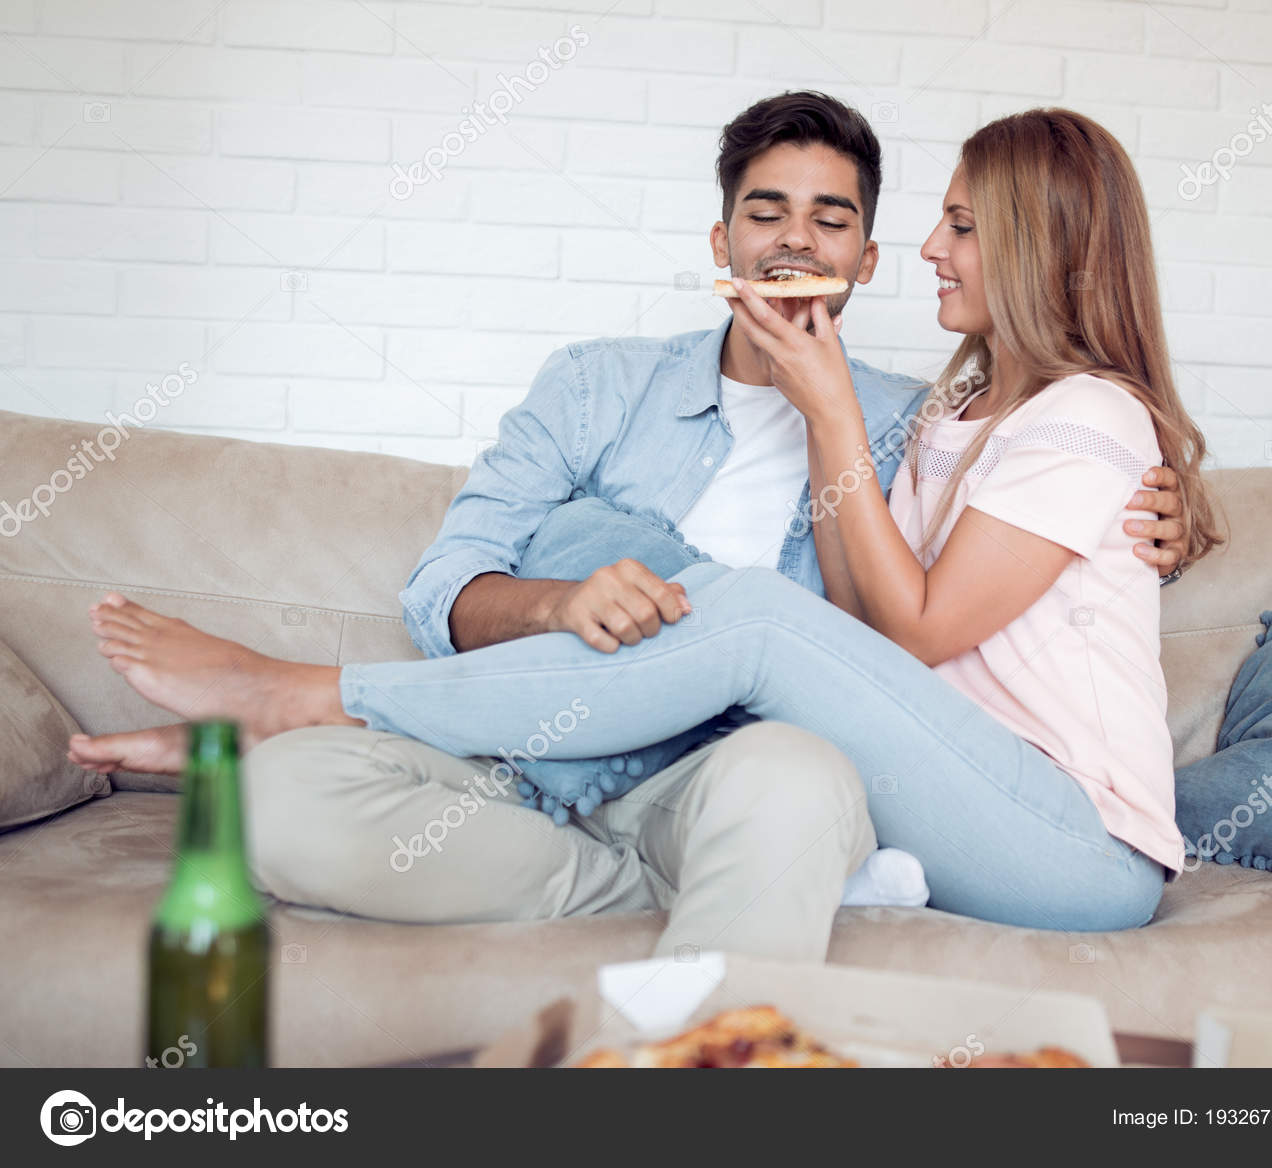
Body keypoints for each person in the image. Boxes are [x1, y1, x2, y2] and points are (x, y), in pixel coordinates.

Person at [69, 95, 1196, 954]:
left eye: (837, 220)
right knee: (279, 807)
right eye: (766, 212)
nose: (800, 243)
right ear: (720, 241)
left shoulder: (906, 418)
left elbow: (911, 624)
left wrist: (1176, 505)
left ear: (858, 252)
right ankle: (663, 884)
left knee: (778, 725)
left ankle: (310, 692)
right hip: (558, 775)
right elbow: (446, 580)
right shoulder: (602, 388)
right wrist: (563, 600)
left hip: (767, 780)